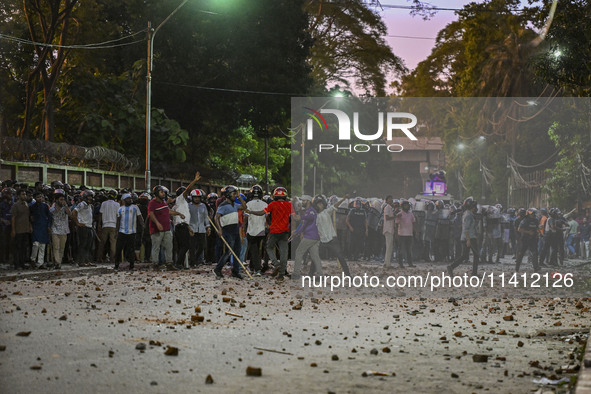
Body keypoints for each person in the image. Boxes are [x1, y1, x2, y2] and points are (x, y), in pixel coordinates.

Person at [248, 186, 292, 279]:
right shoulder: (289, 205)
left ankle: (276, 264)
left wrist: (251, 211)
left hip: (274, 231)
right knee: (284, 253)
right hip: (285, 232)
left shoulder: (272, 204)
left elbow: (262, 213)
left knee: (269, 248)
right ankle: (281, 274)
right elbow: (294, 218)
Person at [212, 185, 247, 279]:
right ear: (228, 194)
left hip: (235, 229)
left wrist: (240, 197)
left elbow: (244, 206)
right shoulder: (223, 205)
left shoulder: (235, 204)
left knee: (237, 251)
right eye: (234, 193)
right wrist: (219, 229)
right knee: (228, 252)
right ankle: (218, 269)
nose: (235, 195)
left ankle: (235, 271)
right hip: (227, 230)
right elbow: (217, 217)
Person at [314, 194, 351, 277]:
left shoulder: (327, 212)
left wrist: (343, 199)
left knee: (340, 256)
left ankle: (348, 275)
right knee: (315, 258)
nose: (320, 205)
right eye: (318, 204)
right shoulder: (314, 216)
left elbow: (335, 205)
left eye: (321, 204)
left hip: (332, 239)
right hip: (322, 240)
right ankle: (311, 275)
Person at [148, 185, 184, 271]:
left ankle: (169, 263)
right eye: (161, 192)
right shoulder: (152, 203)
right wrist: (157, 223)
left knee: (169, 246)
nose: (163, 193)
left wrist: (178, 213)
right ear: (156, 193)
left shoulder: (163, 202)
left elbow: (167, 211)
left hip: (167, 228)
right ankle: (155, 264)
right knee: (156, 247)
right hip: (156, 230)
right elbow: (151, 214)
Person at [172, 171, 201, 269]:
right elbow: (187, 190)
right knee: (185, 246)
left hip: (183, 226)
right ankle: (178, 263)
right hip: (181, 227)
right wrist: (194, 181)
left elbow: (185, 219)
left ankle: (180, 264)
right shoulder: (180, 199)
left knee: (182, 246)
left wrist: (189, 228)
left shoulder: (183, 204)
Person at [291, 195, 323, 281]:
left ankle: (296, 273)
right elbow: (304, 222)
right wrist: (301, 210)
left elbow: (302, 221)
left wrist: (296, 232)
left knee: (298, 252)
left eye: (304, 201)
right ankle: (320, 275)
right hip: (315, 237)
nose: (302, 202)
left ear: (308, 202)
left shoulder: (310, 211)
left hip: (310, 236)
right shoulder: (310, 211)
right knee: (315, 256)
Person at [447, 197, 479, 276]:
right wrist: (468, 240)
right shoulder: (468, 215)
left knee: (464, 256)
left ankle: (451, 267)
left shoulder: (467, 214)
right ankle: (474, 273)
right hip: (470, 238)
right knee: (476, 255)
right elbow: (466, 229)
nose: (476, 208)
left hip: (466, 237)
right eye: (474, 206)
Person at [114, 193, 143, 270]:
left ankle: (131, 265)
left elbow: (140, 217)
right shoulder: (120, 209)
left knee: (131, 249)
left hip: (132, 232)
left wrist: (143, 226)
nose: (130, 200)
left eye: (130, 198)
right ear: (124, 200)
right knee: (118, 249)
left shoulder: (135, 207)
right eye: (128, 199)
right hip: (122, 231)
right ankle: (116, 265)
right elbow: (118, 221)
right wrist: (116, 232)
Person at [245, 185, 267, 276]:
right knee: (258, 249)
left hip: (251, 230)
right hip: (262, 230)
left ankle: (257, 269)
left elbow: (245, 218)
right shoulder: (265, 204)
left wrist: (243, 228)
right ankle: (252, 266)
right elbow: (267, 217)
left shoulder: (248, 204)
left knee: (253, 250)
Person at [49, 189, 72, 269]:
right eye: (61, 199)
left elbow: (70, 214)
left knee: (62, 248)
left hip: (64, 230)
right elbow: (50, 215)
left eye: (63, 199)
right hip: (54, 230)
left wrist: (65, 205)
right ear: (56, 200)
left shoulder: (65, 208)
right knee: (56, 247)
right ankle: (57, 262)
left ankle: (59, 261)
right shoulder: (52, 208)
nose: (62, 201)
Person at [188, 189, 210, 267]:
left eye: (198, 197)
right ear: (192, 198)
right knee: (192, 247)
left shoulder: (203, 206)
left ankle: (195, 259)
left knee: (202, 246)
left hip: (201, 229)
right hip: (192, 229)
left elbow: (206, 217)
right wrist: (188, 228)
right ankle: (193, 262)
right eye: (195, 197)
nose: (197, 199)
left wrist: (208, 227)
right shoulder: (188, 206)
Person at [73, 190, 96, 267]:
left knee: (89, 245)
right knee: (83, 245)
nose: (90, 199)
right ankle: (81, 261)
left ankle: (88, 261)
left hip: (89, 227)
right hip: (83, 227)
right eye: (89, 197)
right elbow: (74, 212)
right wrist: (77, 223)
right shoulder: (82, 204)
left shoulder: (90, 206)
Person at [97, 189, 120, 264]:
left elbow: (100, 214)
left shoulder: (103, 203)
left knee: (102, 243)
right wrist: (118, 227)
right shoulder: (117, 204)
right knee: (113, 243)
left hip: (105, 225)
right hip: (113, 226)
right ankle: (112, 259)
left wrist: (99, 224)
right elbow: (118, 217)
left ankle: (99, 258)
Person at [29, 191, 51, 268]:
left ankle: (40, 263)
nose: (40, 198)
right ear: (35, 198)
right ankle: (33, 259)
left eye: (41, 197)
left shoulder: (45, 206)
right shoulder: (32, 207)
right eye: (38, 197)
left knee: (42, 246)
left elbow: (49, 217)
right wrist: (31, 226)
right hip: (36, 227)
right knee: (35, 244)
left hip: (43, 227)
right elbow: (30, 218)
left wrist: (48, 226)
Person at [514, 208, 540, 272]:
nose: (534, 215)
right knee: (521, 253)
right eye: (533, 214)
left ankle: (535, 268)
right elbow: (519, 229)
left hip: (533, 239)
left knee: (534, 253)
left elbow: (537, 227)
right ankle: (517, 268)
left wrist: (538, 231)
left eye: (534, 214)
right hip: (525, 238)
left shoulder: (536, 220)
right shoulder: (525, 220)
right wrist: (528, 232)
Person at [11, 189, 31, 269]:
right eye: (23, 194)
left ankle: (22, 263)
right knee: (18, 247)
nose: (24, 196)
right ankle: (17, 264)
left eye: (25, 194)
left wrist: (30, 226)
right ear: (19, 196)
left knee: (24, 247)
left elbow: (28, 216)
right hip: (18, 229)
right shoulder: (15, 205)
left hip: (25, 229)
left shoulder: (26, 204)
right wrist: (13, 230)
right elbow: (13, 218)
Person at [396, 200, 416, 268]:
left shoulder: (411, 214)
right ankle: (400, 263)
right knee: (401, 250)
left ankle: (410, 263)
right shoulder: (400, 214)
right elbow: (396, 223)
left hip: (409, 234)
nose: (406, 207)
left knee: (409, 250)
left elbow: (413, 222)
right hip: (401, 234)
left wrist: (415, 231)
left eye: (407, 205)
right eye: (405, 205)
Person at [382, 195, 396, 269]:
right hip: (388, 229)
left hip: (390, 229)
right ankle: (387, 263)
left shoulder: (390, 208)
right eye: (389, 200)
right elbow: (387, 217)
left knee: (389, 247)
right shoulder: (387, 207)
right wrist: (395, 216)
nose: (391, 201)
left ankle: (386, 262)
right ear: (386, 201)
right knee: (389, 247)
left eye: (392, 200)